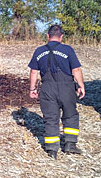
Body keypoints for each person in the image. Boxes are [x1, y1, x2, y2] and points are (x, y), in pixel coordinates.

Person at [28, 24, 85, 159]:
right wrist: (81, 85)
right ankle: (70, 144)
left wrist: (32, 89)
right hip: (67, 88)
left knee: (50, 118)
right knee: (70, 115)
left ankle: (52, 150)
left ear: (47, 36)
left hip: (47, 88)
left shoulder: (39, 51)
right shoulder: (68, 50)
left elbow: (33, 72)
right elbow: (76, 70)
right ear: (61, 37)